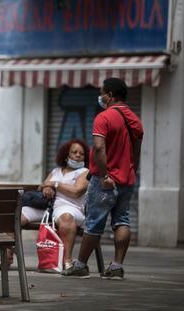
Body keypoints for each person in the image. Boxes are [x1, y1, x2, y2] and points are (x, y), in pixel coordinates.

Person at [63, 77, 143, 280]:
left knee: (94, 224)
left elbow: (99, 147)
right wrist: (130, 172)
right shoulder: (135, 120)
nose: (100, 96)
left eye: (102, 93)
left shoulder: (104, 117)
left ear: (110, 95)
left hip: (105, 180)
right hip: (127, 180)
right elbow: (136, 153)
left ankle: (80, 265)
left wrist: (105, 175)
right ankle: (116, 265)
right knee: (122, 221)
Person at [0, 139, 90, 271]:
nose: (78, 155)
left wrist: (55, 185)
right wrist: (47, 188)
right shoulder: (56, 171)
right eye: (74, 152)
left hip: (70, 207)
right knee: (14, 216)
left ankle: (67, 261)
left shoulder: (84, 172)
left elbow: (76, 191)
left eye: (81, 153)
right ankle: (6, 257)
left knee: (66, 218)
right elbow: (43, 185)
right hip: (48, 207)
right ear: (66, 155)